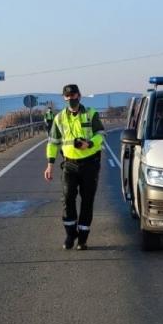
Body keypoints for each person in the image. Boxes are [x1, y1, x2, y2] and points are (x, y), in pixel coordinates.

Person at [43, 84, 106, 250]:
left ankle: (83, 239)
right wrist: (50, 165)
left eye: (73, 95)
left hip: (90, 164)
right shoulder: (59, 118)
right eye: (68, 96)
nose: (71, 99)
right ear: (64, 98)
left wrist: (90, 143)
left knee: (87, 202)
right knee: (67, 199)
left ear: (79, 95)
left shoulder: (90, 114)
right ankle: (71, 234)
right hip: (69, 164)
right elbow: (53, 142)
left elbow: (101, 135)